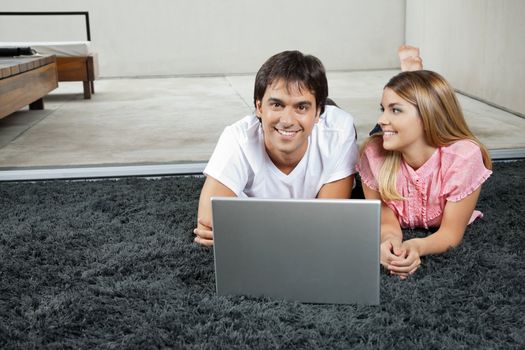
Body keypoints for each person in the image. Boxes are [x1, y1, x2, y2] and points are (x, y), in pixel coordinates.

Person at [193, 50, 360, 246]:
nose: (287, 120)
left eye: (301, 107)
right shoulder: (237, 138)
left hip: (323, 130)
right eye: (277, 105)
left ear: (318, 113)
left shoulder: (339, 132)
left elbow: (328, 223)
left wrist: (239, 230)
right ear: (259, 107)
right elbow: (207, 226)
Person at [357, 70, 493, 279]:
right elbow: (385, 218)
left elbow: (450, 233)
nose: (381, 119)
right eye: (383, 109)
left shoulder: (463, 158)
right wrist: (389, 241)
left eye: (395, 110)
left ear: (428, 115)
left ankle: (412, 65)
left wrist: (417, 246)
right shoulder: (373, 154)